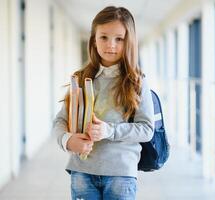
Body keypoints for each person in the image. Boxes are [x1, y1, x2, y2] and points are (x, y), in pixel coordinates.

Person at [52, 6, 154, 200]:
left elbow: (146, 129)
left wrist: (110, 130)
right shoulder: (80, 78)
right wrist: (67, 140)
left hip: (121, 174)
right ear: (94, 39)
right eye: (104, 37)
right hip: (81, 172)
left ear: (129, 41)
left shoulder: (137, 81)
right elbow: (60, 121)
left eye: (119, 39)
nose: (111, 45)